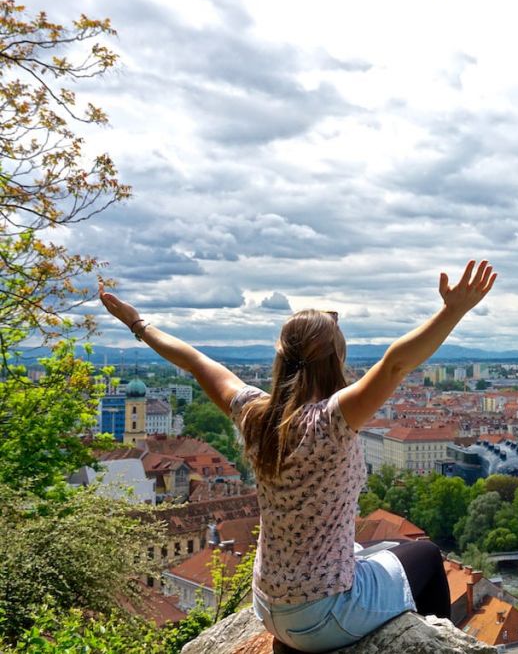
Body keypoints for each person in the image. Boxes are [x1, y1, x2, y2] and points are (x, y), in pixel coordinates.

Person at [100, 260, 497, 652]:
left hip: (270, 607)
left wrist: (139, 325)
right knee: (426, 556)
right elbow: (395, 363)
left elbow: (195, 360)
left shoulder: (255, 413)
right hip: (323, 614)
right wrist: (452, 311)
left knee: (377, 550)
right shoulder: (332, 420)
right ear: (335, 361)